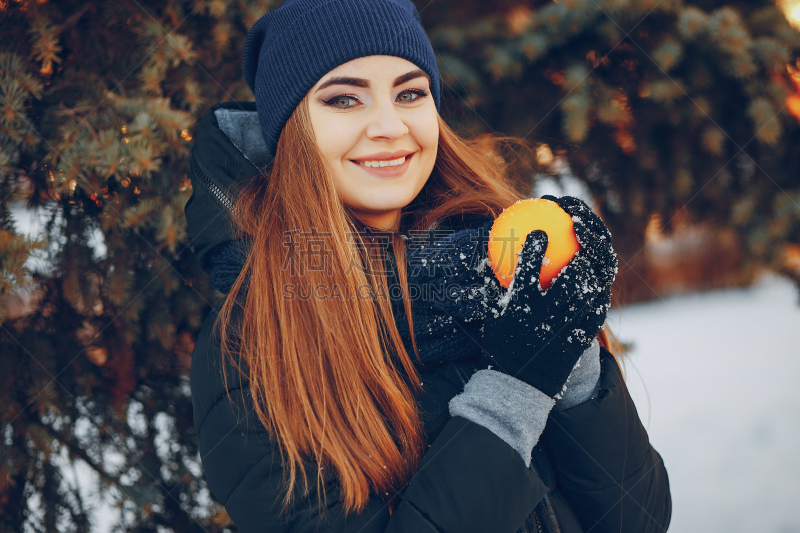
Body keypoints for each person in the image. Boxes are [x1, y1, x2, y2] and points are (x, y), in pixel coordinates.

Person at [184, 1, 672, 532]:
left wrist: (569, 354)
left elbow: (637, 520)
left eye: (410, 93)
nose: (390, 126)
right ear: (290, 131)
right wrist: (517, 387)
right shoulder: (250, 346)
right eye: (344, 99)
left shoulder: (496, 267)